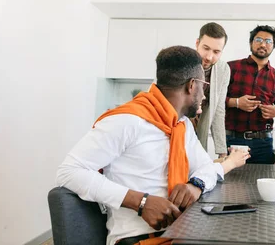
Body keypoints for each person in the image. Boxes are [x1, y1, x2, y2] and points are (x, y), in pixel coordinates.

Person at [56, 46, 250, 245]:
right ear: (192, 85)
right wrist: (141, 202)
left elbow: (206, 168)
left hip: (181, 232)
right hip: (137, 238)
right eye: (204, 86)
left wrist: (196, 185)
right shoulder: (127, 120)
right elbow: (69, 171)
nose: (204, 95)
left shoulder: (182, 125)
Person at [225, 25, 275, 164]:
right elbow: (213, 100)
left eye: (268, 41)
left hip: (264, 143)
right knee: (233, 184)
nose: (263, 44)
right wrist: (236, 102)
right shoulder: (231, 68)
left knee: (263, 181)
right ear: (251, 43)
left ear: (273, 46)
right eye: (258, 40)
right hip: (234, 140)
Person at [191, 22, 231, 158]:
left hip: (200, 128)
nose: (209, 57)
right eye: (206, 48)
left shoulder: (223, 69)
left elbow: (218, 109)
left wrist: (222, 151)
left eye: (216, 52)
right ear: (197, 43)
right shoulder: (182, 61)